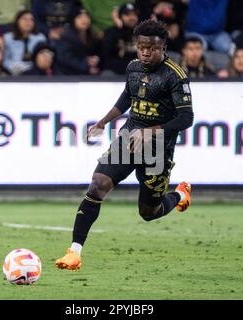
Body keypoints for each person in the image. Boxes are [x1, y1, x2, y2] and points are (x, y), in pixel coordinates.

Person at [55, 19, 193, 271]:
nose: (145, 52)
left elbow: (186, 118)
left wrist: (150, 132)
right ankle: (74, 253)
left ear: (164, 47)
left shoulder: (175, 76)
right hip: (129, 139)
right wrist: (103, 122)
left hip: (158, 151)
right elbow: (127, 97)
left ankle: (181, 194)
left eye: (152, 48)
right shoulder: (133, 68)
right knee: (98, 185)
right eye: (141, 47)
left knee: (149, 212)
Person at [56, 7, 101, 75]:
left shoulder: (92, 36)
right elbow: (66, 59)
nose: (84, 20)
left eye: (86, 17)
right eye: (79, 17)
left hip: (88, 73)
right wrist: (86, 65)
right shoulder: (66, 37)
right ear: (73, 20)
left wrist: (94, 60)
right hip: (68, 75)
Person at [3, 9, 46, 75]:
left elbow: (42, 60)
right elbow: (4, 59)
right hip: (12, 73)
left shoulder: (40, 38)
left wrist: (29, 68)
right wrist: (12, 67)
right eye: (24, 19)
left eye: (31, 19)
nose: (28, 22)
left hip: (34, 73)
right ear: (17, 21)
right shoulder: (7, 37)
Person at [102, 3, 139, 75]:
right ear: (120, 17)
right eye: (127, 15)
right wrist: (120, 28)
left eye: (134, 14)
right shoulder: (111, 32)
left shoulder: (141, 32)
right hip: (117, 71)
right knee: (107, 74)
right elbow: (108, 58)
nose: (132, 17)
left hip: (138, 71)